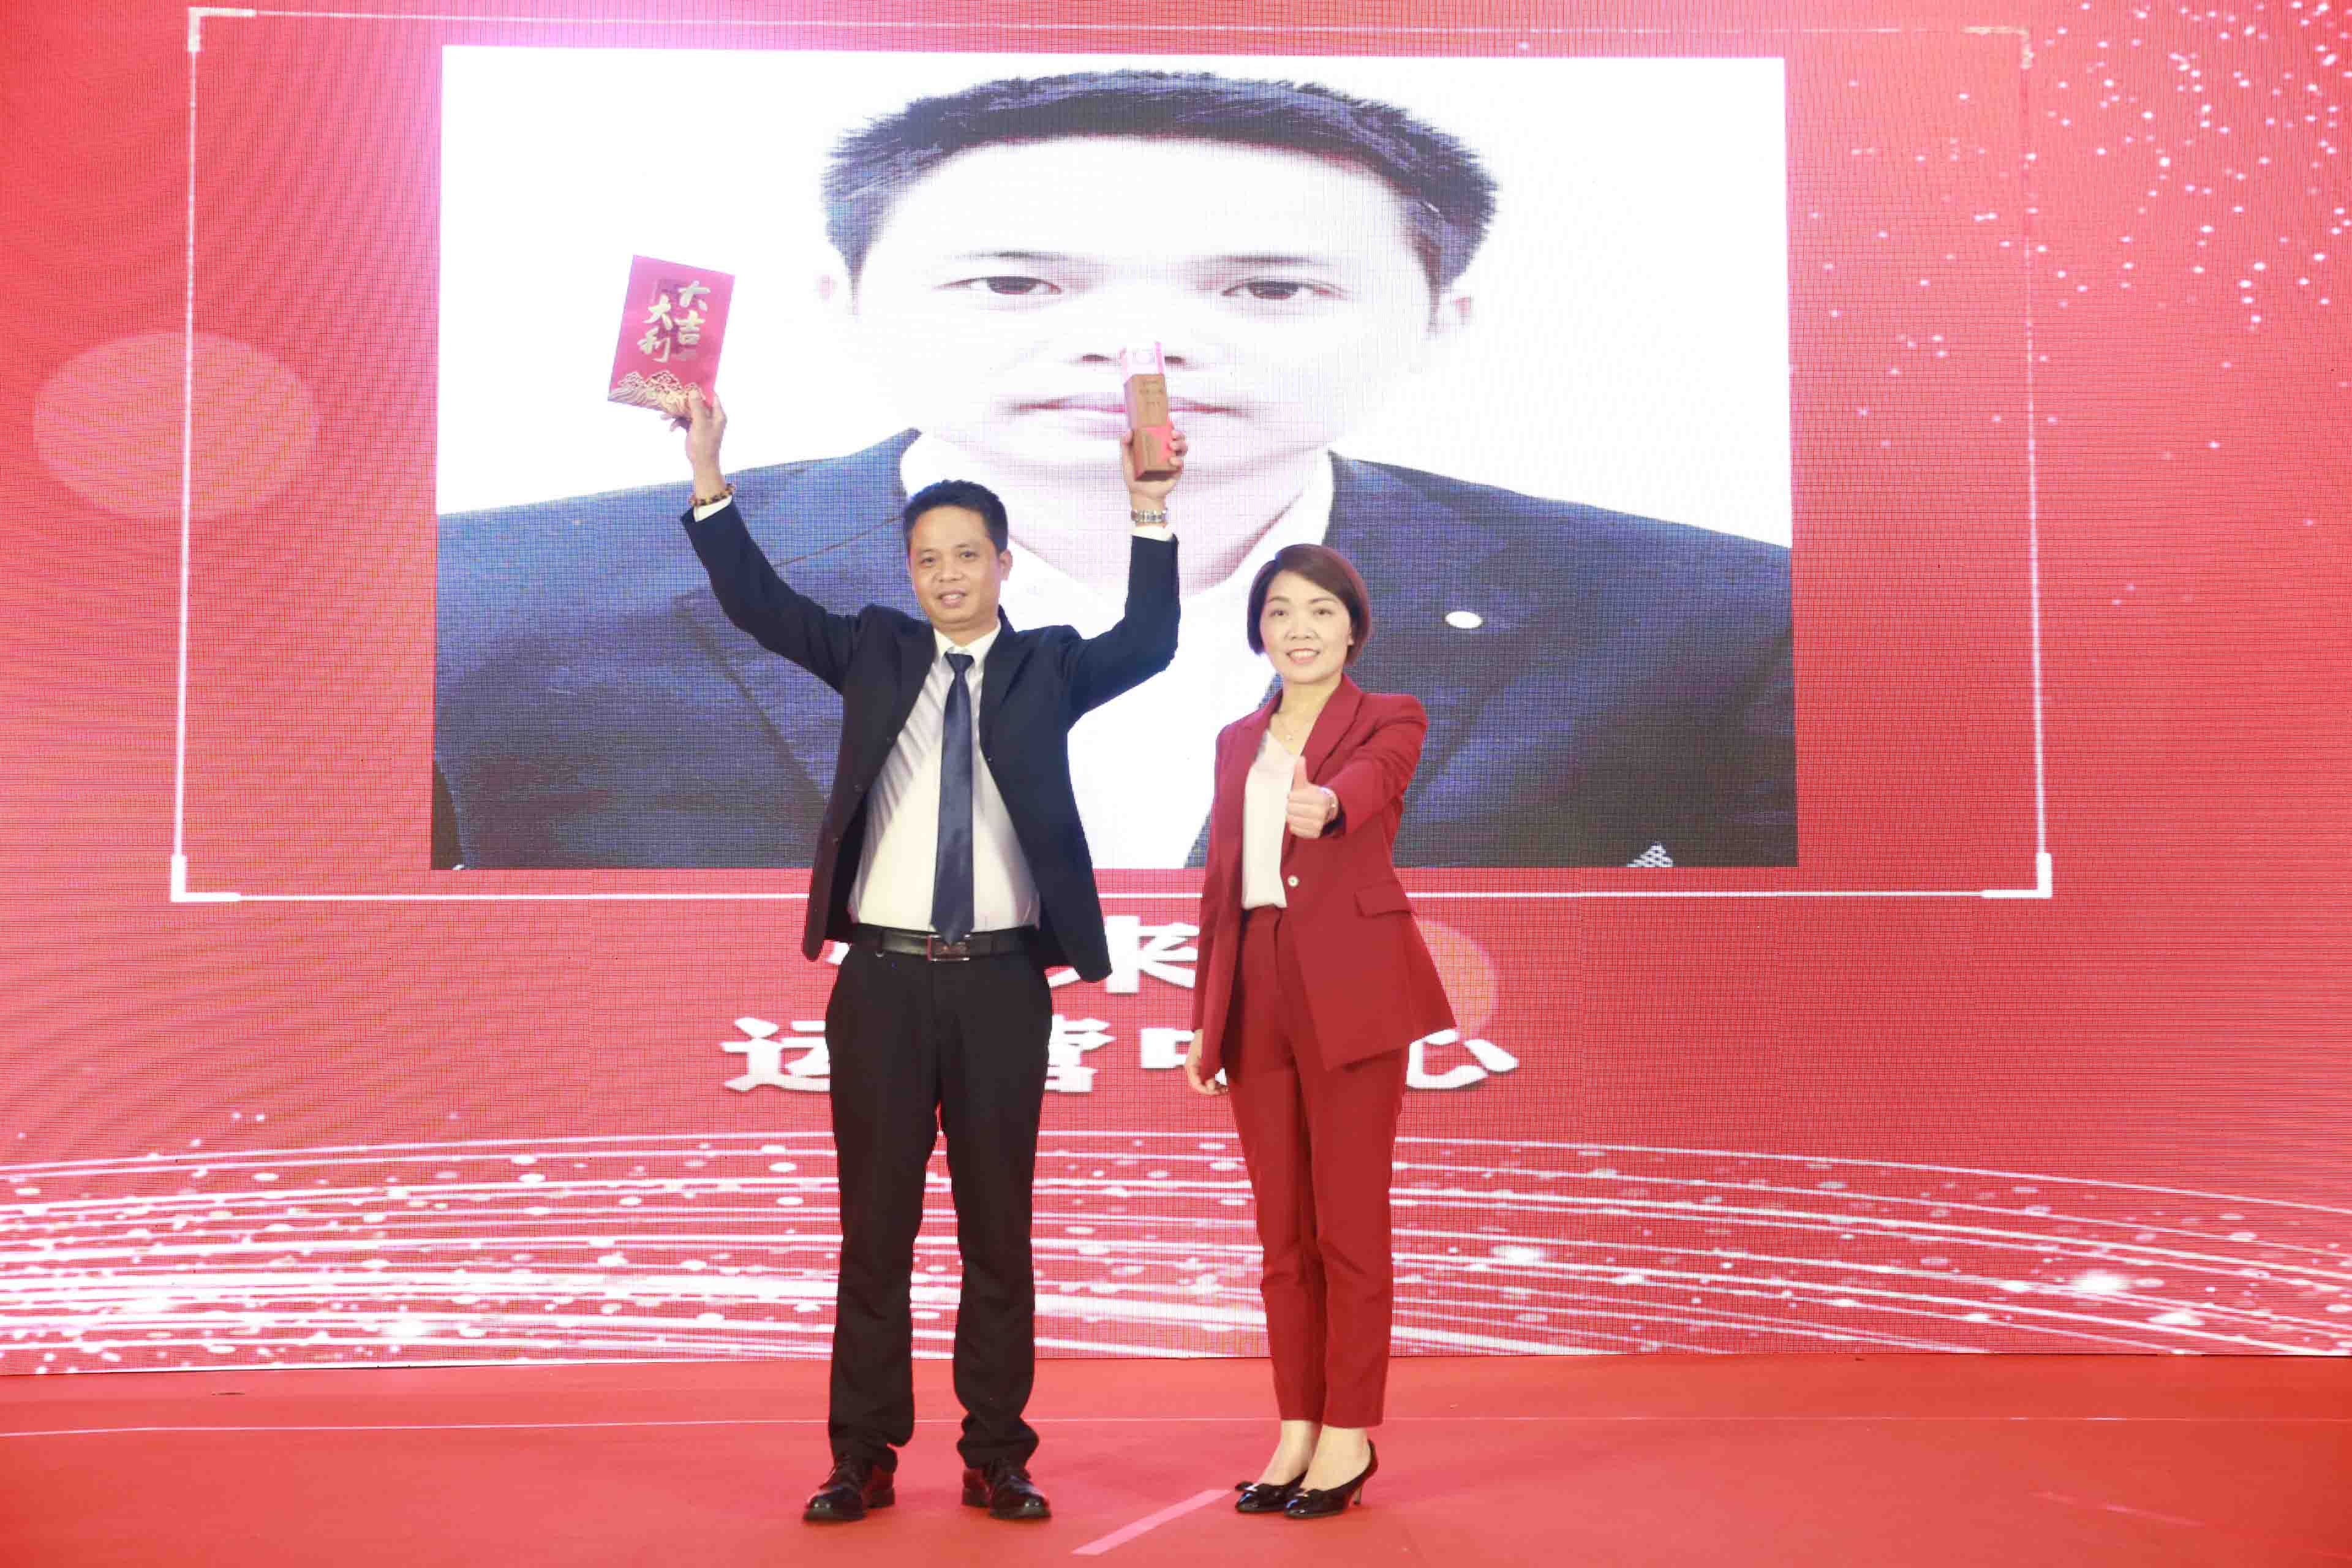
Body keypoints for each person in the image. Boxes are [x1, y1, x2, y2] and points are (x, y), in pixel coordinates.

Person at [436, 69, 1793, 872]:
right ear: (845, 305)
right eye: (1016, 283)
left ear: (1444, 323)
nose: (1139, 348)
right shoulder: (482, 591)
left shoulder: (1713, 618)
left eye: (1269, 288)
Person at [671, 388, 1186, 1523]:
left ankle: (997, 1453)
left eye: (965, 555)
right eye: (926, 559)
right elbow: (757, 602)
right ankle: (861, 1455)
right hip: (884, 984)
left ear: (1003, 562)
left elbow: (1151, 642)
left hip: (1003, 983)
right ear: (909, 572)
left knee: (999, 1235)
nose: (946, 574)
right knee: (876, 1234)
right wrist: (709, 473)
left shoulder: (1048, 666)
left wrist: (1150, 510)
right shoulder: (872, 650)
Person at [1182, 542, 1453, 1520]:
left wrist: (1328, 804)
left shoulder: (1392, 717)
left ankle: (1349, 1431)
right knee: (1281, 1233)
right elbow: (1221, 887)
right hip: (1256, 981)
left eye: (1321, 612)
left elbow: (1374, 781)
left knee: (1349, 1225)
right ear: (1259, 629)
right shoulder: (1234, 740)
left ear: (1353, 627)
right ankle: (1296, 1425)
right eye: (1281, 612)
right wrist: (1207, 1019)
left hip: (1353, 987)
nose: (1300, 629)